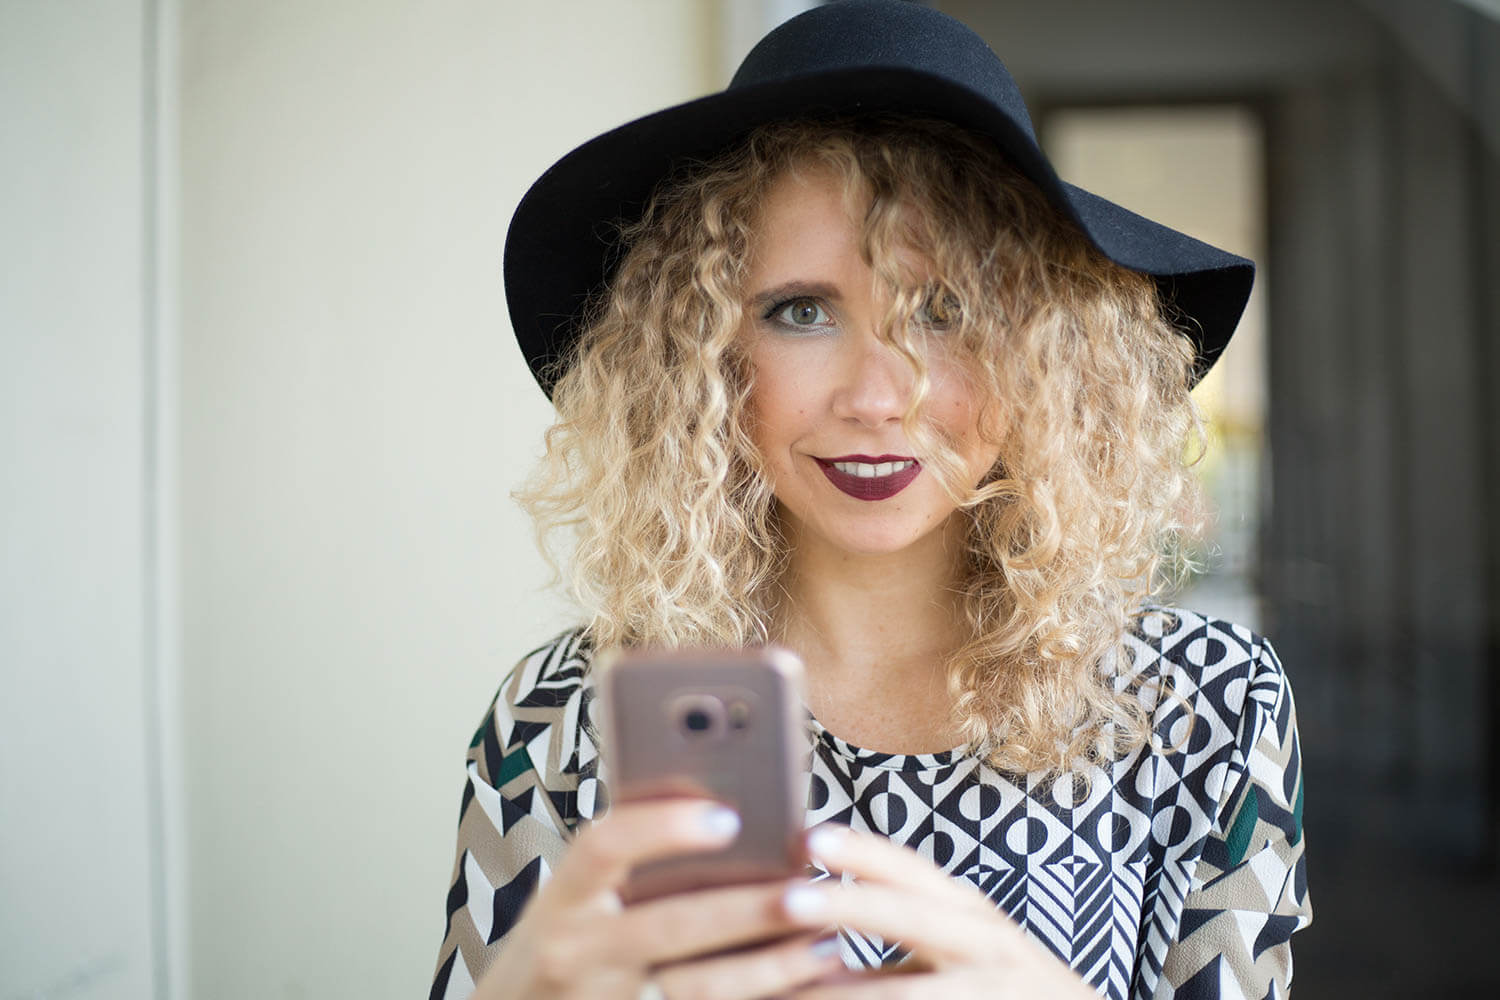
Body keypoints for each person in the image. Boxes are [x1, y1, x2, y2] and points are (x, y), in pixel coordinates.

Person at [430, 3, 1311, 998]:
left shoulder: (1207, 707)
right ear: (705, 358)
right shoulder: (563, 724)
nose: (878, 395)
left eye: (946, 310)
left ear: (1049, 358)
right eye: (800, 311)